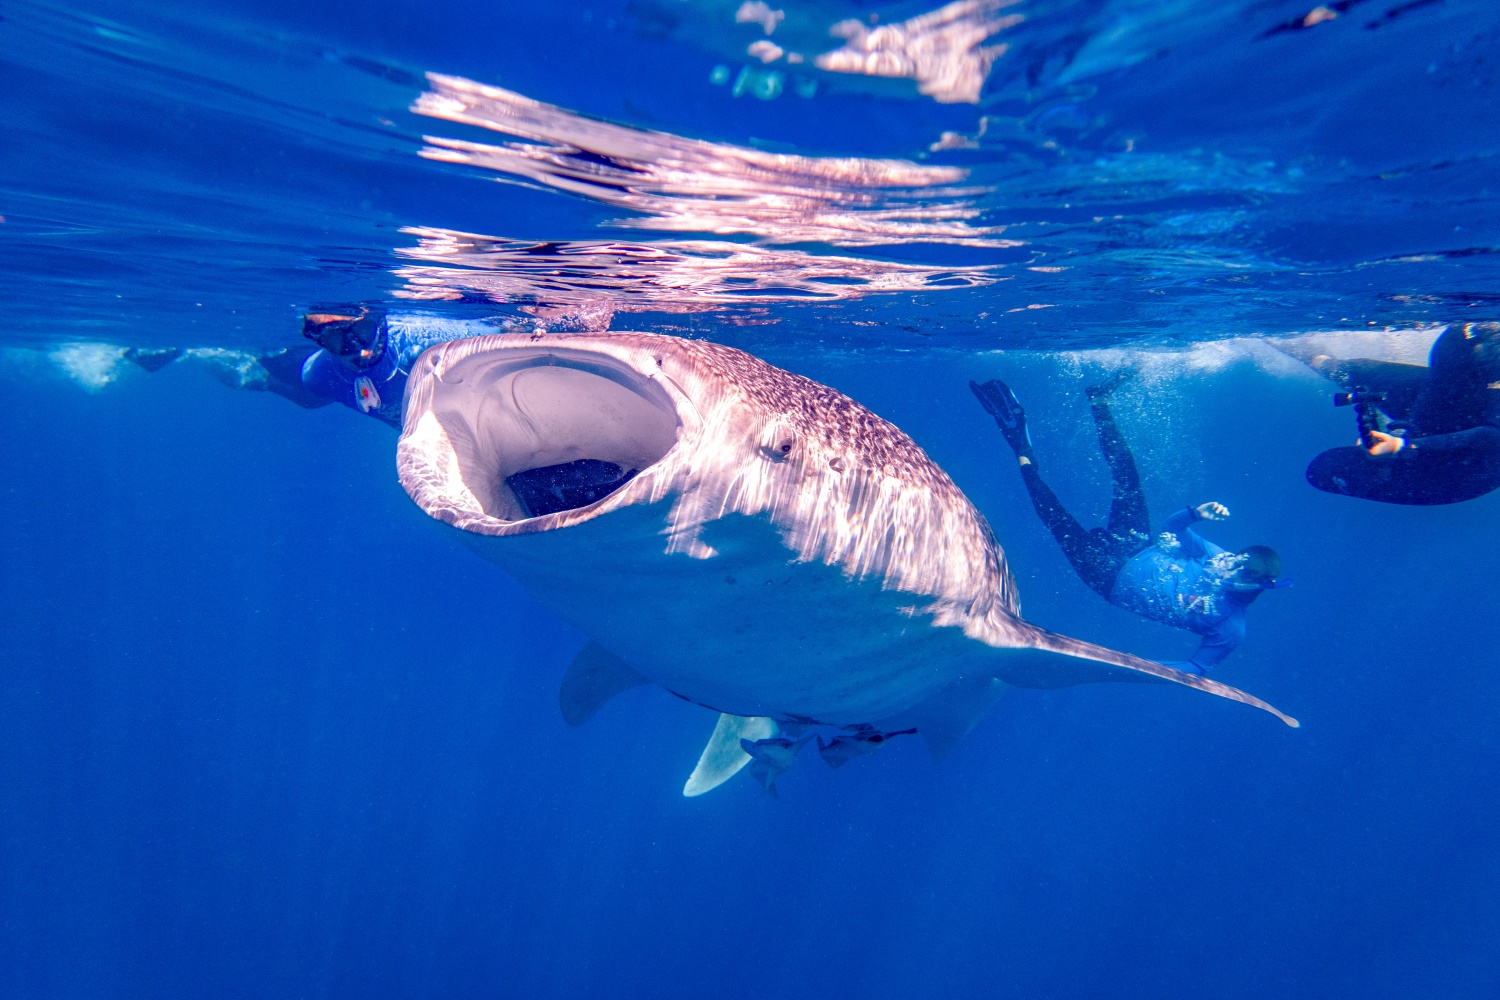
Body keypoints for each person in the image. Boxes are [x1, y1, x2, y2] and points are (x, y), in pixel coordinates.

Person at [125, 305, 636, 517]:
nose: (358, 349)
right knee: (288, 386)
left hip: (452, 405)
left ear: (380, 320)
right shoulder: (324, 372)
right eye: (337, 340)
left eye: (365, 332)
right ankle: (194, 350)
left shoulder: (431, 340)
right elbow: (312, 376)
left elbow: (517, 334)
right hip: (325, 390)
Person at [971, 376, 1287, 675]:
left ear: (1259, 584)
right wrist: (1195, 514)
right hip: (1136, 543)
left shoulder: (1231, 628)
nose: (1230, 568)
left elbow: (1195, 668)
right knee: (1128, 477)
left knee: (1052, 513)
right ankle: (1099, 400)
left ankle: (1021, 448)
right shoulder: (1217, 556)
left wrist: (1130, 666)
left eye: (1242, 572)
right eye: (1235, 560)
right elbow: (1171, 529)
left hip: (1107, 578)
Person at [1300, 322, 1500, 505]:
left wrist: (1402, 445)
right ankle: (1297, 348)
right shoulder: (1466, 334)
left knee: (1323, 470)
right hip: (1442, 391)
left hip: (1464, 468)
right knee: (1342, 370)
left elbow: (1492, 437)